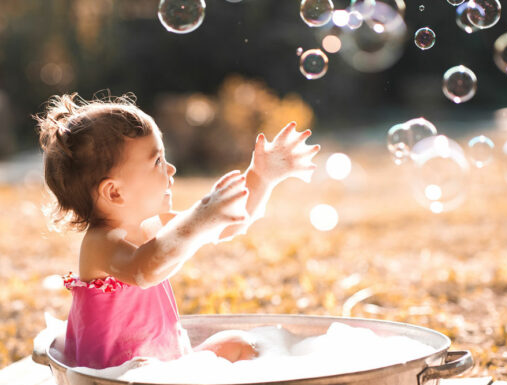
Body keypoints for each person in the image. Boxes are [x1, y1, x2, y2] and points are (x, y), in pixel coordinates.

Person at [36, 93, 320, 369]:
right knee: (145, 372)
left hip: (166, 364)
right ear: (114, 192)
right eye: (157, 161)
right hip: (116, 375)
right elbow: (143, 270)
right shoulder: (101, 243)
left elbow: (232, 223)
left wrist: (262, 176)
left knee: (240, 344)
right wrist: (197, 221)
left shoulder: (153, 224)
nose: (170, 169)